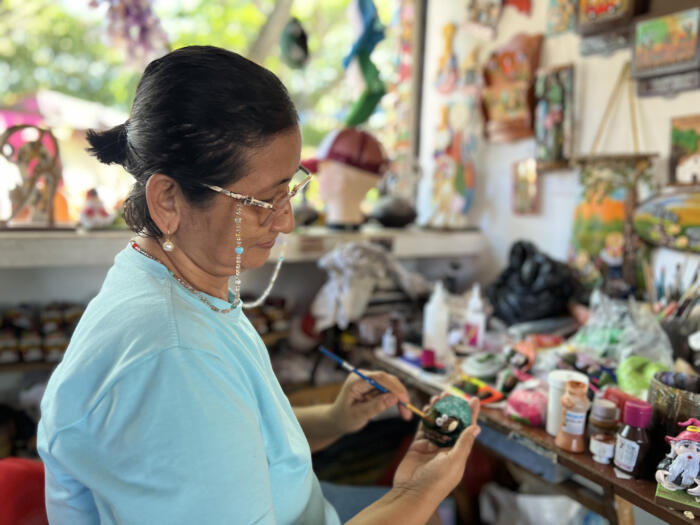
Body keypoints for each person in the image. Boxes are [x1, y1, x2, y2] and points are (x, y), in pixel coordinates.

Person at [37, 45, 481, 524]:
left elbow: (236, 448)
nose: (286, 221)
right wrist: (420, 490)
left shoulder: (186, 280)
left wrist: (335, 420)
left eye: (290, 189)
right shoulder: (172, 358)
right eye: (265, 201)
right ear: (168, 200)